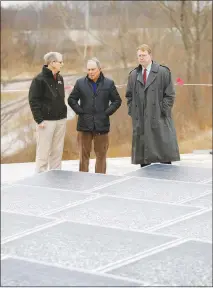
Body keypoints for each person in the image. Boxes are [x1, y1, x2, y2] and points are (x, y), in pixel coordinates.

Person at [126, 44, 180, 167]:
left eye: (144, 55)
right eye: (139, 56)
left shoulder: (163, 72)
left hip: (159, 119)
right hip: (141, 122)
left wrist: (162, 110)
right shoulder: (133, 75)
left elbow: (170, 94)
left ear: (150, 55)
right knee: (144, 161)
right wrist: (133, 112)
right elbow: (129, 96)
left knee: (164, 157)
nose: (141, 58)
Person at [68, 57, 122, 174]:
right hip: (84, 126)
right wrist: (80, 111)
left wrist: (107, 112)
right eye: (88, 69)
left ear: (99, 69)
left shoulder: (109, 83)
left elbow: (117, 101)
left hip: (101, 125)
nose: (90, 72)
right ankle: (83, 179)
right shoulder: (80, 83)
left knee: (101, 156)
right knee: (83, 156)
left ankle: (100, 180)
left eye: (93, 69)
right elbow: (71, 99)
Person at [28, 52, 67, 173]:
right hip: (46, 122)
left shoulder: (60, 78)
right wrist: (39, 120)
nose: (62, 64)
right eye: (60, 62)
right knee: (43, 153)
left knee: (57, 152)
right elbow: (33, 100)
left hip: (61, 120)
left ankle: (56, 177)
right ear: (52, 63)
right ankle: (40, 179)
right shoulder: (38, 80)